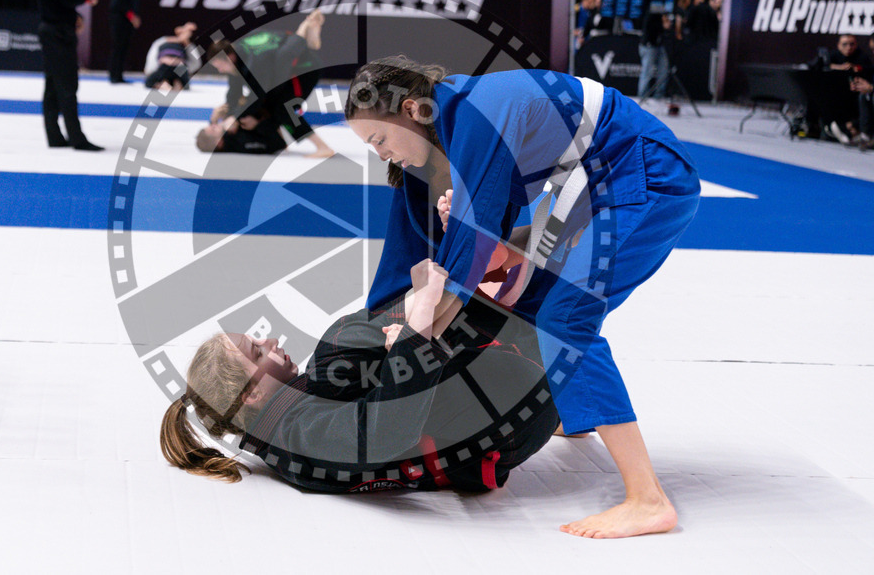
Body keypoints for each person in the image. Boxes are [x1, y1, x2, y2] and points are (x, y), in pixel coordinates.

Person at [344, 56, 700, 539]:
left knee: (565, 319)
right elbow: (428, 243)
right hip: (592, 185)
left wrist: (413, 336)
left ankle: (647, 499)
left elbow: (473, 245)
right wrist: (377, 327)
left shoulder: (475, 112)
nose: (380, 154)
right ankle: (576, 416)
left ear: (411, 109)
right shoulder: (450, 126)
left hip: (644, 176)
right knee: (530, 309)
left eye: (379, 140)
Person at [161, 258, 560, 492]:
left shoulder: (289, 422)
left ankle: (464, 280)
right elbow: (383, 433)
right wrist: (416, 323)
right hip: (509, 424)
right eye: (256, 351)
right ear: (250, 394)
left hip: (500, 413)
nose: (270, 342)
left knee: (344, 346)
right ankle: (461, 282)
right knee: (341, 344)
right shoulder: (298, 436)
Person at [197, 10, 334, 158]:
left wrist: (236, 117)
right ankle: (305, 36)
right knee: (266, 103)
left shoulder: (253, 64)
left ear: (229, 57)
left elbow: (260, 94)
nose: (220, 70)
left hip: (305, 68)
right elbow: (234, 93)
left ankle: (323, 148)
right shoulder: (237, 58)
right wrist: (228, 111)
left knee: (283, 108)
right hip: (285, 49)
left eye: (219, 66)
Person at [35, 0, 102, 151]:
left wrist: (76, 16)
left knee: (53, 84)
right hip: (58, 34)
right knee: (67, 85)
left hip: (52, 29)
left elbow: (56, 1)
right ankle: (77, 138)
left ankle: (55, 136)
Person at [108, 0, 147, 84]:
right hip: (119, 19)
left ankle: (119, 75)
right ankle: (113, 75)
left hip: (128, 21)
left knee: (124, 47)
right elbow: (118, 2)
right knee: (117, 47)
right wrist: (131, 16)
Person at [143, 21, 197, 92]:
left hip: (178, 68)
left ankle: (172, 84)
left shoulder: (187, 46)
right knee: (149, 82)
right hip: (166, 67)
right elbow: (153, 53)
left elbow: (196, 62)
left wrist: (186, 41)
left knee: (185, 85)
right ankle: (164, 84)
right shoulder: (163, 42)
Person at [638, 12, 671, 98]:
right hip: (649, 46)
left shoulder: (664, 13)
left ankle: (659, 95)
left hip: (659, 46)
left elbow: (666, 29)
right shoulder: (652, 12)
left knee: (664, 71)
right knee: (647, 72)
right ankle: (642, 96)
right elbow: (650, 28)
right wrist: (663, 25)